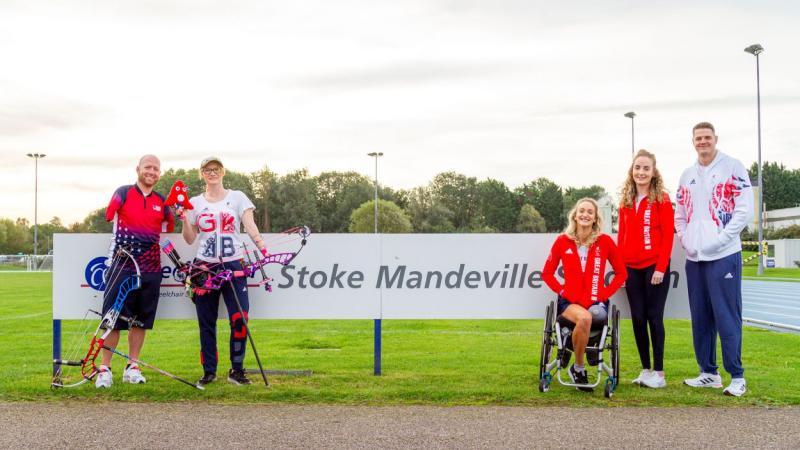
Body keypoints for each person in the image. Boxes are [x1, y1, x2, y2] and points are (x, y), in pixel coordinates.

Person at [675, 122, 754, 397]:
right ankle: (708, 372)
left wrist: (719, 241)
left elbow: (744, 211)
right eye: (698, 138)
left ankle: (737, 377)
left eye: (707, 137)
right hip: (695, 259)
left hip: (724, 255)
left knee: (727, 317)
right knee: (701, 318)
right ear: (693, 141)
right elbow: (680, 214)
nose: (703, 142)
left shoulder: (733, 167)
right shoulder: (687, 174)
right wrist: (686, 240)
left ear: (715, 139)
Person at [181, 156, 268, 386]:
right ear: (202, 174)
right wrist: (184, 219)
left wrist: (261, 246)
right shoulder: (195, 202)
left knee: (240, 317)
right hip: (204, 266)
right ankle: (209, 371)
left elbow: (249, 224)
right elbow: (189, 239)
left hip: (233, 263)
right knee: (206, 321)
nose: (212, 173)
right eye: (207, 170)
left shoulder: (237, 197)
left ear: (223, 171)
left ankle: (236, 370)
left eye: (216, 169)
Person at [96, 154, 175, 388]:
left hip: (150, 268)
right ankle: (105, 369)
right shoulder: (123, 192)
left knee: (140, 322)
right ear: (138, 169)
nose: (152, 171)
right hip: (122, 266)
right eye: (147, 167)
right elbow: (109, 215)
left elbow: (169, 228)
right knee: (113, 320)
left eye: (156, 169)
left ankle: (132, 366)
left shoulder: (163, 202)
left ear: (160, 173)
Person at [542, 197, 627, 391]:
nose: (585, 215)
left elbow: (622, 273)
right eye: (582, 211)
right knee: (585, 318)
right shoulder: (562, 241)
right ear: (575, 215)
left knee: (592, 316)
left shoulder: (604, 241)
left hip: (596, 302)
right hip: (570, 303)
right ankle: (578, 369)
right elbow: (547, 273)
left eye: (590, 212)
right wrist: (562, 290)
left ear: (596, 218)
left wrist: (605, 293)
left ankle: (579, 353)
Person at [617, 149, 674, 389]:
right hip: (631, 268)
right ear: (632, 171)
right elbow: (622, 236)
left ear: (653, 172)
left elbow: (668, 237)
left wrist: (661, 268)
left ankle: (659, 374)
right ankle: (645, 370)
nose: (641, 172)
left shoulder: (661, 198)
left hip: (655, 267)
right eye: (637, 167)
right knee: (638, 319)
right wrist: (621, 269)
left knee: (654, 317)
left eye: (646, 168)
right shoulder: (626, 200)